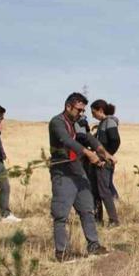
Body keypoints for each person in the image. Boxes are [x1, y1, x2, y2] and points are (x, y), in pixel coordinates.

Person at [48, 92, 114, 261]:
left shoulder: (77, 123)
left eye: (83, 110)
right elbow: (66, 141)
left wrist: (104, 153)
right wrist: (88, 154)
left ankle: (94, 245)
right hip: (62, 172)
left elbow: (89, 138)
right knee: (61, 214)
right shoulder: (57, 122)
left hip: (78, 172)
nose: (81, 113)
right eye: (79, 109)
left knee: (87, 209)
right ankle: (62, 253)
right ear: (68, 106)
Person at [90, 100, 121, 227]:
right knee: (96, 191)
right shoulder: (103, 123)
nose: (92, 115)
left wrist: (106, 157)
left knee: (104, 191)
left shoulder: (109, 122)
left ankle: (114, 221)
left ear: (101, 110)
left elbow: (115, 141)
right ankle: (98, 220)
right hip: (98, 162)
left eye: (94, 112)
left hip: (105, 163)